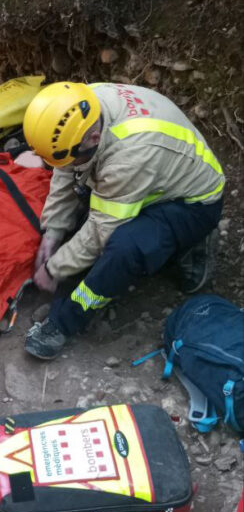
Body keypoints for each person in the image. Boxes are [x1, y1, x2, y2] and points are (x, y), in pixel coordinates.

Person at [22, 81, 225, 360]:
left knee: (124, 248)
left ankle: (65, 322)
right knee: (83, 209)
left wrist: (54, 268)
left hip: (192, 204)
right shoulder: (82, 105)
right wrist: (53, 230)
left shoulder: (130, 156)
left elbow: (100, 231)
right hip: (154, 176)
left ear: (93, 139)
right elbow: (65, 169)